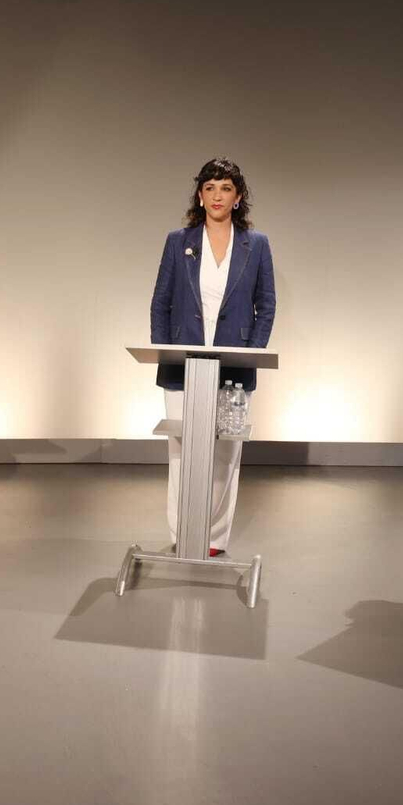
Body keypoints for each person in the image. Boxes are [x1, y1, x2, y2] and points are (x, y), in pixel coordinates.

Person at [149, 157, 276, 555]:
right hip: (181, 362)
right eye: (209, 188)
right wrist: (164, 351)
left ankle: (214, 537)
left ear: (238, 198)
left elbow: (266, 304)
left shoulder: (256, 245)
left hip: (233, 366)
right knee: (181, 450)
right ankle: (182, 533)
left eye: (225, 188)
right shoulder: (178, 241)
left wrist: (250, 354)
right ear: (200, 196)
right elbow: (161, 303)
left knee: (225, 452)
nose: (217, 195)